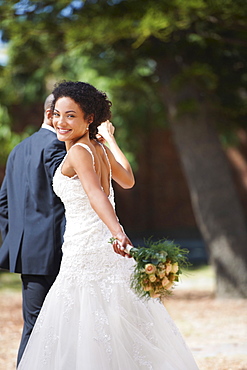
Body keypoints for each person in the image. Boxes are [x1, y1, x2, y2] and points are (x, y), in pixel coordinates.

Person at [18, 81, 199, 369]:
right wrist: (110, 140)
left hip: (88, 249)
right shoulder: (97, 148)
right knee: (116, 318)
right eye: (56, 114)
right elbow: (127, 179)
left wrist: (118, 233)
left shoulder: (78, 152)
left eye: (70, 115)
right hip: (104, 246)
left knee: (85, 322)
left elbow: (95, 194)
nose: (60, 122)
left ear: (89, 118)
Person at [0, 95, 66, 366]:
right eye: (65, 114)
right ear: (52, 113)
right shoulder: (57, 148)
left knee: (33, 325)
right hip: (54, 252)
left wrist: (17, 241)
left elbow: (3, 203)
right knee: (57, 325)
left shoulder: (18, 149)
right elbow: (66, 201)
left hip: (28, 254)